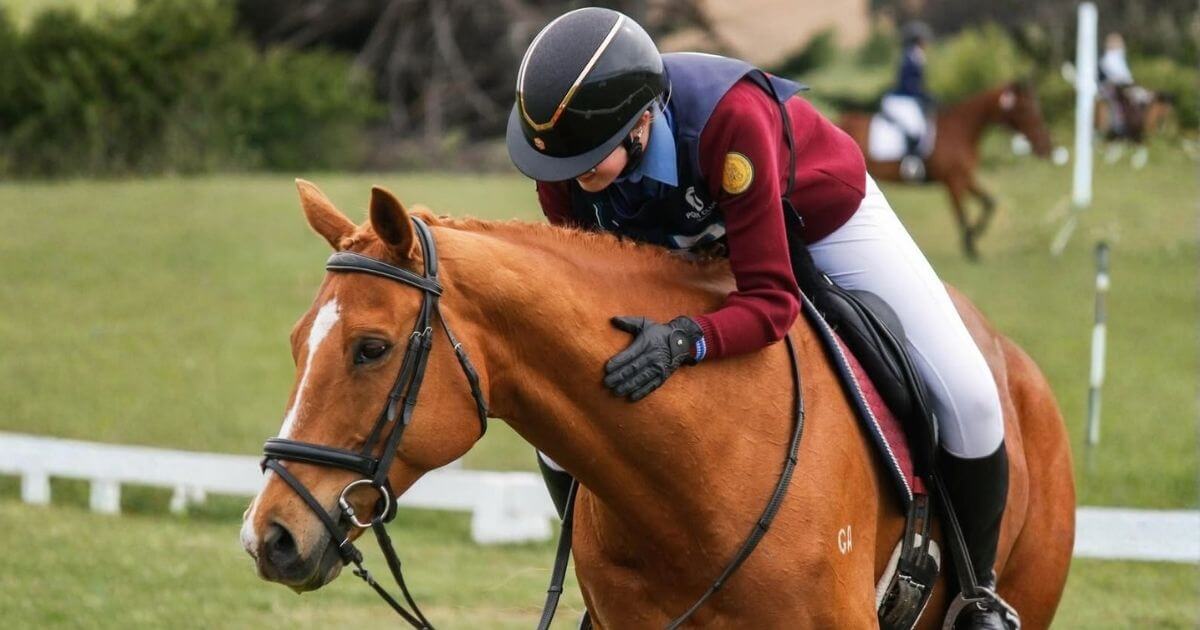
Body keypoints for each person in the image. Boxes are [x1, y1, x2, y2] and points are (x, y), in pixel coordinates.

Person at [506, 8, 1012, 628]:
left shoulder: (729, 120)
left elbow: (772, 300)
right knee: (564, 423)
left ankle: (974, 594)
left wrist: (688, 341)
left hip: (819, 218)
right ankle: (611, 583)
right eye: (561, 168)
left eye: (588, 163)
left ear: (641, 122)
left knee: (971, 397)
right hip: (681, 236)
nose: (573, 184)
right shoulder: (564, 167)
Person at [883, 21, 935, 181]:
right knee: (916, 129)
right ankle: (910, 165)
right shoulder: (910, 57)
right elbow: (908, 85)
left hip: (909, 100)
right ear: (917, 40)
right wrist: (924, 95)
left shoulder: (916, 56)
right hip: (901, 100)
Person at [1098, 32, 1135, 137]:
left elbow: (1126, 75)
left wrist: (1130, 83)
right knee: (1115, 102)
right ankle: (1117, 125)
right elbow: (1114, 75)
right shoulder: (1108, 58)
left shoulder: (1119, 58)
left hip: (1122, 86)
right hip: (1109, 87)